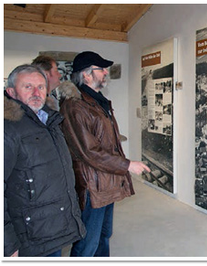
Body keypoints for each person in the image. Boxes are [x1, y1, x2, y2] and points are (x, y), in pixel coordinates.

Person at [58, 51, 151, 257]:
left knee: (103, 235)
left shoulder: (97, 101)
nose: (106, 72)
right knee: (87, 242)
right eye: (101, 69)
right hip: (93, 185)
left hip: (105, 180)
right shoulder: (75, 106)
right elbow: (90, 151)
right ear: (87, 75)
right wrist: (127, 165)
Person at [4, 64, 86, 257]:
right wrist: (7, 245)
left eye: (41, 87)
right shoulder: (8, 130)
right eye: (28, 86)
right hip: (30, 236)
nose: (36, 92)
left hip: (53, 228)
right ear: (11, 92)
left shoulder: (50, 120)